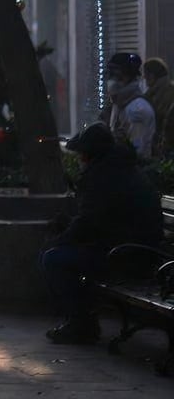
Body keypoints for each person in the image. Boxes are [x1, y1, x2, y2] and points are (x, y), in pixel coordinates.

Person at [41, 123, 163, 345]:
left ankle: (80, 324)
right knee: (62, 253)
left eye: (81, 155)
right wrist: (68, 227)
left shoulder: (104, 176)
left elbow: (89, 223)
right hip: (131, 250)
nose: (80, 160)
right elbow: (101, 221)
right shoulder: (118, 169)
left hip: (127, 256)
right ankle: (80, 320)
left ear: (90, 155)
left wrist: (60, 240)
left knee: (54, 259)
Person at [104, 52, 156, 165]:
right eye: (110, 75)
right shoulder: (119, 104)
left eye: (117, 75)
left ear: (129, 76)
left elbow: (137, 151)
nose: (112, 80)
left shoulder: (137, 109)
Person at [142, 57, 174, 157]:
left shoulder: (160, 94)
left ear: (151, 75)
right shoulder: (154, 92)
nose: (144, 78)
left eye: (145, 74)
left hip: (163, 148)